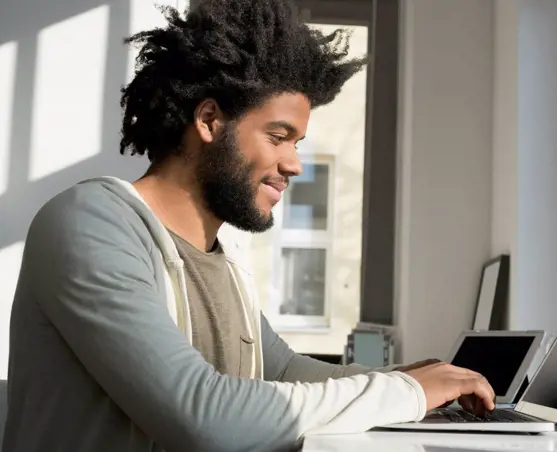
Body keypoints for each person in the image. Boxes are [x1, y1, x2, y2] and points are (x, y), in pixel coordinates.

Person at [2, 1, 495, 451]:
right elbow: (202, 415)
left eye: (297, 142)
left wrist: (413, 381)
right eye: (279, 137)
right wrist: (400, 392)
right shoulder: (91, 223)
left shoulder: (223, 253)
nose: (295, 164)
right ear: (210, 120)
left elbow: (278, 369)